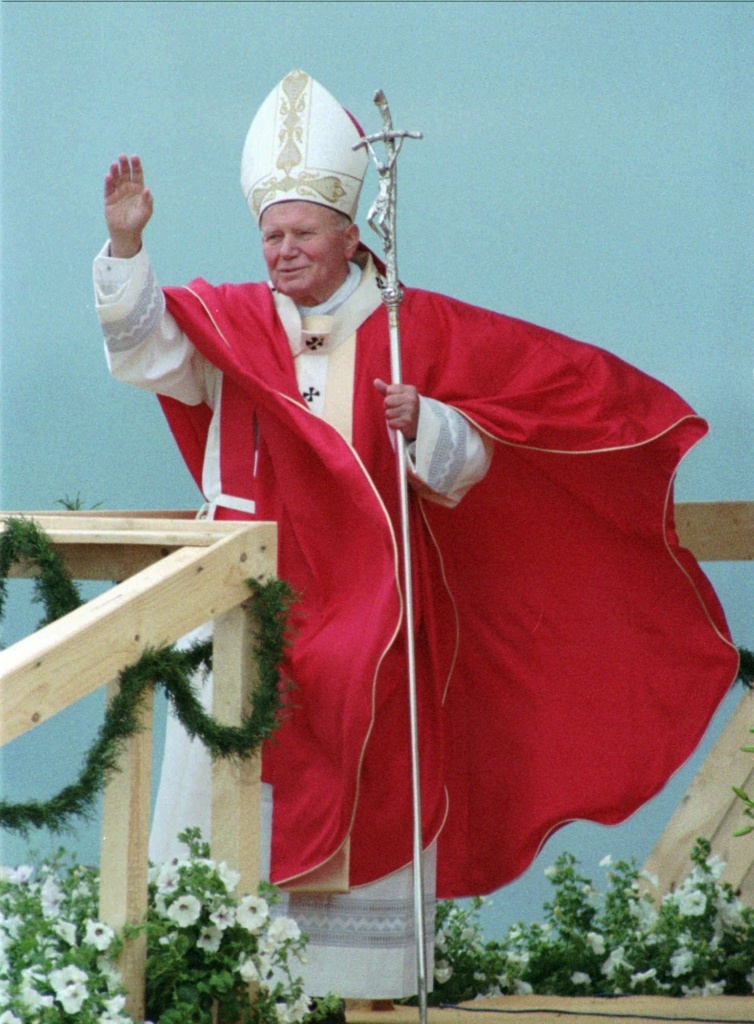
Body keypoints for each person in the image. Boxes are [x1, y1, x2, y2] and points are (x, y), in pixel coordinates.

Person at [94, 70, 738, 1000]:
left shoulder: (407, 327)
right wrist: (126, 246)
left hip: (374, 604)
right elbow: (144, 348)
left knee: (378, 777)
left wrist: (426, 421)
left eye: (302, 233)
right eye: (270, 234)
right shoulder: (229, 324)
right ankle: (214, 986)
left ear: (349, 233)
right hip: (243, 602)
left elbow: (479, 455)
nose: (282, 251)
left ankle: (365, 994)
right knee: (224, 801)